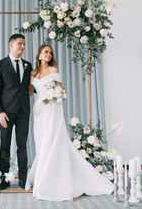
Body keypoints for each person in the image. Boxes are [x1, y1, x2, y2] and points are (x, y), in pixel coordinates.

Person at [25, 45, 114, 201]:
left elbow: (60, 91)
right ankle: (42, 175)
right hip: (39, 110)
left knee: (52, 140)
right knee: (41, 143)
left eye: (50, 53)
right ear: (39, 54)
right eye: (45, 52)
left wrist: (55, 95)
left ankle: (50, 181)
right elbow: (30, 91)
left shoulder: (54, 71)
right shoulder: (33, 72)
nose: (48, 54)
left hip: (53, 108)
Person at [0, 34, 33, 190]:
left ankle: (23, 178)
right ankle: (4, 178)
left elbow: (31, 85)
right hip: (6, 112)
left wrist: (33, 88)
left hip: (23, 111)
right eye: (19, 44)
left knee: (22, 146)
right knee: (5, 145)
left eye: (24, 44)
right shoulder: (0, 64)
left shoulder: (28, 65)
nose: (22, 47)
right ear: (11, 44)